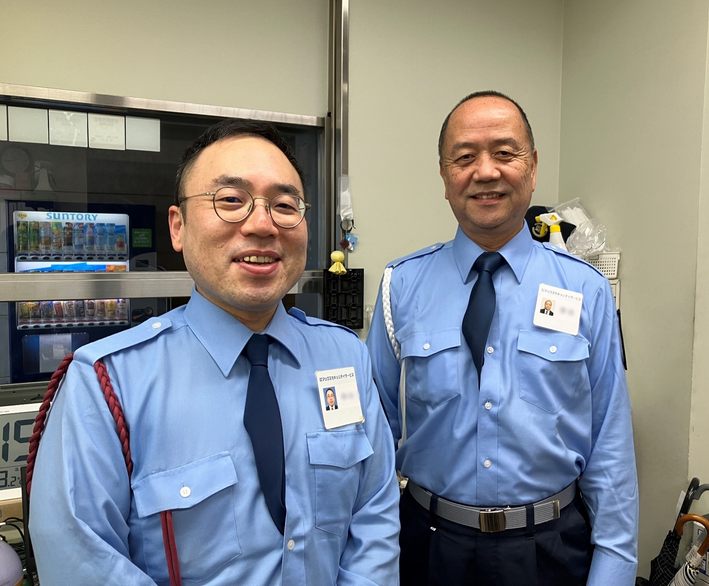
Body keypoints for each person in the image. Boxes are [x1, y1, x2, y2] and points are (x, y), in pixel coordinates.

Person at [30, 119, 400, 585]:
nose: (262, 224)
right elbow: (80, 560)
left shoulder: (344, 356)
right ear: (178, 226)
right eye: (230, 200)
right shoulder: (108, 383)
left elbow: (374, 514)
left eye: (285, 205)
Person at [366, 91, 638, 586]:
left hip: (550, 551)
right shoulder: (399, 286)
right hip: (428, 547)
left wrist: (614, 571)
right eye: (465, 157)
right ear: (444, 175)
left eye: (504, 153)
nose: (485, 171)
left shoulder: (587, 290)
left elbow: (610, 446)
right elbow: (374, 438)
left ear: (532, 168)